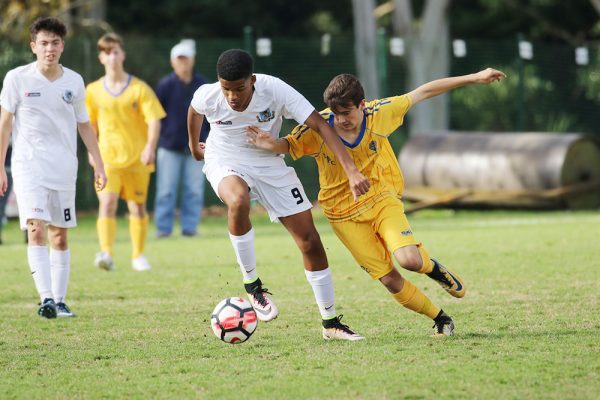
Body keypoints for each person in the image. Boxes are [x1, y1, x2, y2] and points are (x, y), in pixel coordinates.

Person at [246, 68, 507, 336]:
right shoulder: (319, 127)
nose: (341, 120)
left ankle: (433, 268)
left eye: (347, 113)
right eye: (335, 114)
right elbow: (290, 145)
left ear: (362, 105)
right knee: (390, 280)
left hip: (382, 198)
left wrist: (474, 78)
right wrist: (270, 144)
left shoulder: (381, 113)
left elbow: (424, 91)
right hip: (342, 215)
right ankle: (440, 318)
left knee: (410, 261)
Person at [187, 49, 370, 341]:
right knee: (238, 200)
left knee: (310, 242)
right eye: (226, 89)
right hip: (225, 159)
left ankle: (330, 322)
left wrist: (351, 171)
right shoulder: (209, 95)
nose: (232, 97)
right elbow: (195, 111)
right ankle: (252, 285)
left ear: (253, 81)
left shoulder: (275, 90)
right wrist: (195, 147)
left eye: (239, 88)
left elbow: (321, 125)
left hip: (268, 163)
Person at [0, 17, 106, 318]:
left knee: (59, 235)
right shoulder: (17, 79)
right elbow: (4, 125)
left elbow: (84, 126)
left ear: (63, 46)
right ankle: (45, 298)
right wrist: (0, 167)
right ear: (33, 46)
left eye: (55, 43)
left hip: (64, 168)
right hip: (28, 166)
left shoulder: (73, 81)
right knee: (36, 228)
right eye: (44, 43)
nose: (50, 49)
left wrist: (98, 163)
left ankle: (59, 301)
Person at [86, 33, 166, 272]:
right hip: (107, 159)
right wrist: (92, 151)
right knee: (107, 203)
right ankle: (106, 253)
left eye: (116, 52)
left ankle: (138, 255)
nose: (112, 57)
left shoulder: (139, 88)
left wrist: (150, 148)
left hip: (136, 159)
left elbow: (154, 120)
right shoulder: (93, 91)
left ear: (123, 55)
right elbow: (88, 124)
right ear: (101, 57)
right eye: (107, 53)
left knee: (137, 207)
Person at [154, 39, 210, 238]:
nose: (183, 62)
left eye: (186, 58)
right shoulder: (165, 85)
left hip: (198, 146)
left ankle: (190, 228)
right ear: (172, 62)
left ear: (192, 61)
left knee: (194, 190)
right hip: (169, 147)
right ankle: (163, 229)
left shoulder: (203, 85)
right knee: (165, 191)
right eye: (179, 59)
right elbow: (156, 116)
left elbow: (211, 115)